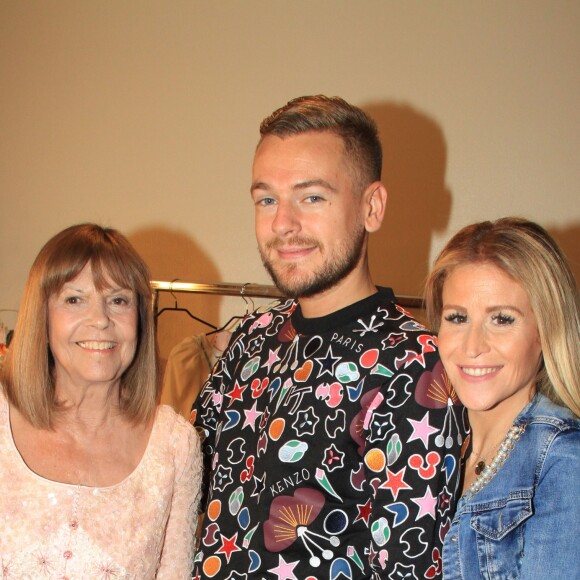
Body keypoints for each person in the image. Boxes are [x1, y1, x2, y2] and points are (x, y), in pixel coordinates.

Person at [191, 95, 466, 579]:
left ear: (372, 207)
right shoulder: (250, 341)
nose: (282, 224)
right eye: (267, 199)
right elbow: (177, 477)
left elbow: (410, 566)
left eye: (311, 197)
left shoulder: (417, 369)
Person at [0, 223, 202, 578]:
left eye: (118, 300)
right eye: (74, 299)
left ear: (140, 317)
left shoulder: (173, 444)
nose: (100, 320)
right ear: (42, 316)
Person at [424, 217, 580, 579]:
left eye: (502, 320)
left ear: (545, 331)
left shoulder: (564, 462)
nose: (473, 346)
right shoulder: (432, 437)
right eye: (458, 317)